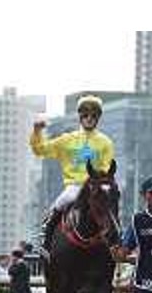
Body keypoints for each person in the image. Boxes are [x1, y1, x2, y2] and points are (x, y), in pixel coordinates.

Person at [30, 94, 116, 258]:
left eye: (93, 115)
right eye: (86, 115)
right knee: (60, 203)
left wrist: (99, 183)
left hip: (95, 186)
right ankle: (45, 240)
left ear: (98, 118)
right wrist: (37, 131)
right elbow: (39, 149)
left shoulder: (105, 142)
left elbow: (106, 168)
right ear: (80, 117)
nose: (89, 118)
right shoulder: (67, 140)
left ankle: (116, 240)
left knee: (111, 203)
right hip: (74, 186)